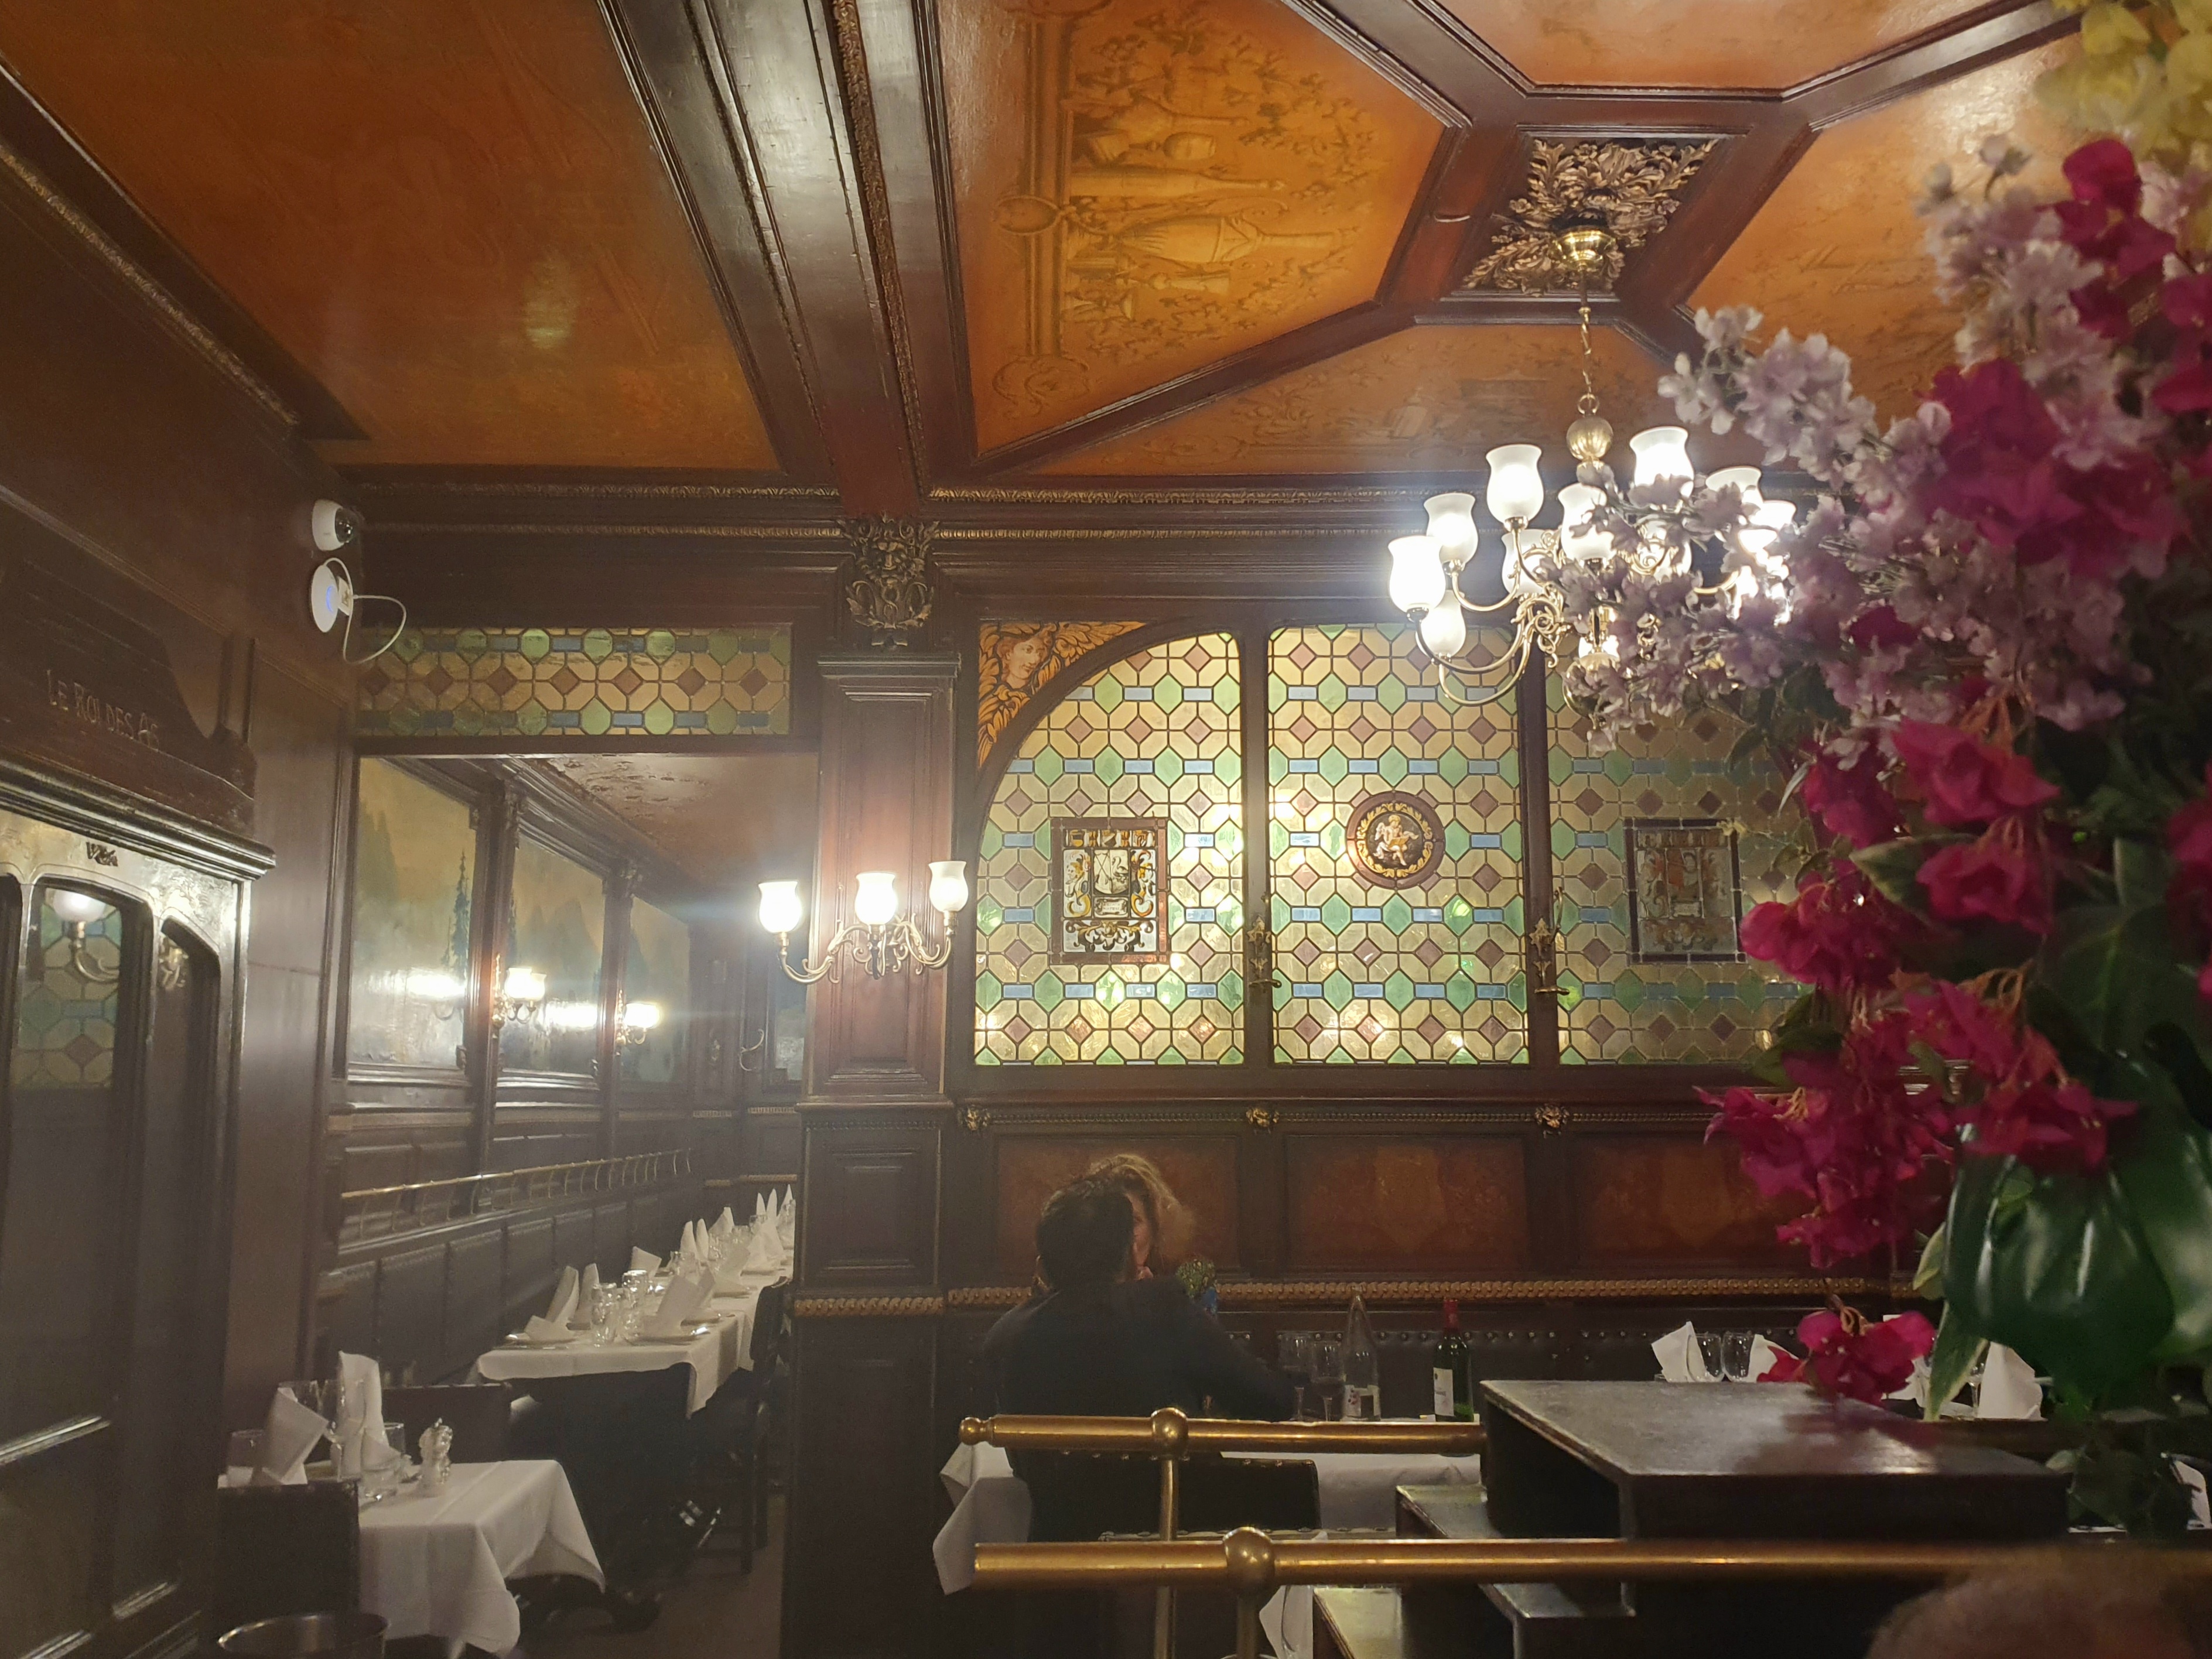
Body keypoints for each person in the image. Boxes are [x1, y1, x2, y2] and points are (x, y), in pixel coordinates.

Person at [1085, 1151, 1194, 1280]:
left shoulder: (1175, 1285)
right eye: (1109, 1221)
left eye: (1132, 1222)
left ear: (1155, 1228)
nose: (1121, 1234)